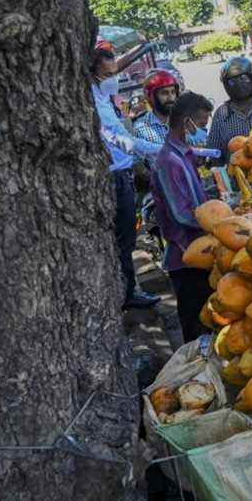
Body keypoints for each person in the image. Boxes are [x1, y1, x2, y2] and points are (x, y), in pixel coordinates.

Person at [91, 38, 162, 310]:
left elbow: (118, 63)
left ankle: (128, 290)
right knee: (122, 240)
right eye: (108, 74)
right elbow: (122, 141)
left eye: (114, 74)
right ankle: (127, 295)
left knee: (127, 239)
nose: (114, 78)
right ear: (93, 71)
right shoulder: (92, 99)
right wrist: (164, 150)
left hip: (122, 171)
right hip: (112, 177)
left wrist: (142, 48)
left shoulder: (102, 93)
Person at [150, 92, 215, 346]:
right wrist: (218, 222)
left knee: (206, 322)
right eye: (200, 123)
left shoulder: (185, 154)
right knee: (194, 327)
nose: (202, 129)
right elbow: (181, 214)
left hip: (198, 253)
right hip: (185, 257)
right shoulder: (169, 161)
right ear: (186, 122)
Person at [133, 70, 180, 146]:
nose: (170, 98)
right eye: (164, 93)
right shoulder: (141, 129)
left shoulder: (184, 120)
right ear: (151, 97)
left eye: (173, 92)